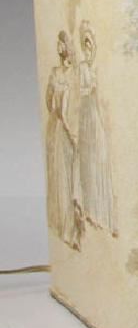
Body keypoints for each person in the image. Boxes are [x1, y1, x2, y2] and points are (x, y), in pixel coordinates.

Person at [77, 23, 116, 234]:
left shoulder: (98, 67)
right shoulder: (83, 67)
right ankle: (89, 209)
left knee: (100, 157)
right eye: (86, 46)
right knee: (88, 156)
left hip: (96, 112)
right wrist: (89, 88)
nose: (88, 49)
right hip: (87, 111)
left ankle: (101, 212)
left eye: (90, 45)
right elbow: (81, 90)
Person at [45, 31, 81, 250]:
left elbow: (71, 107)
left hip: (67, 129)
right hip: (61, 130)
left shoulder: (73, 74)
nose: (60, 48)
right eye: (59, 44)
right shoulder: (55, 73)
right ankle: (66, 228)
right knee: (61, 176)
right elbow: (50, 102)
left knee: (69, 177)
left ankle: (72, 228)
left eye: (63, 44)